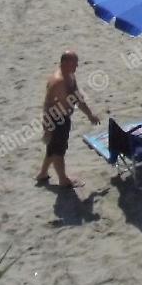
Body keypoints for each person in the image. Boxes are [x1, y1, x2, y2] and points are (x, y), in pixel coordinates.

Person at [36, 51, 100, 188]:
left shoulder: (70, 75)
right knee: (58, 151)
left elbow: (77, 97)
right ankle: (63, 180)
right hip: (55, 120)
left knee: (53, 148)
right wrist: (47, 128)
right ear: (65, 63)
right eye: (74, 63)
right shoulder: (57, 81)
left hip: (64, 119)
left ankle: (42, 174)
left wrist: (89, 114)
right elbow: (47, 105)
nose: (77, 65)